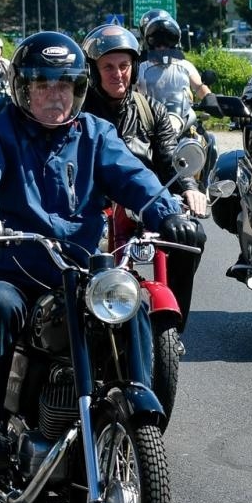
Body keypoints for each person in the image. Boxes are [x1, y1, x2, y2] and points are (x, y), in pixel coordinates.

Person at [0, 32, 204, 476]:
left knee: (133, 304)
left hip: (79, 268)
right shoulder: (2, 129)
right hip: (15, 266)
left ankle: (137, 422)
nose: (55, 96)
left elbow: (132, 176)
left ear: (78, 89)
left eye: (64, 86)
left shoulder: (95, 133)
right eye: (43, 86)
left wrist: (168, 213)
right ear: (24, 89)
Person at [82, 23, 207, 330]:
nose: (117, 74)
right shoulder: (78, 113)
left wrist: (189, 187)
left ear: (134, 67)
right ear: (93, 71)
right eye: (108, 67)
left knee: (191, 236)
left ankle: (176, 328)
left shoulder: (151, 110)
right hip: (93, 204)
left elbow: (168, 159)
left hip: (142, 202)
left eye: (124, 65)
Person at [137, 11, 212, 119]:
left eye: (167, 41)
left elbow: (199, 86)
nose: (162, 47)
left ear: (174, 42)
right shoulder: (141, 68)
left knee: (207, 136)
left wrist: (209, 98)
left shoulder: (186, 66)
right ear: (149, 43)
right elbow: (129, 90)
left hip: (184, 119)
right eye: (157, 42)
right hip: (150, 121)